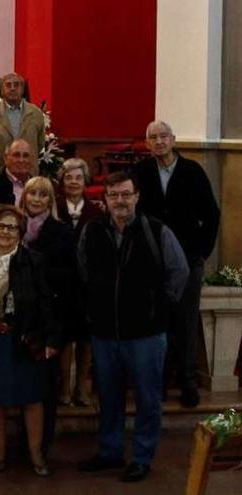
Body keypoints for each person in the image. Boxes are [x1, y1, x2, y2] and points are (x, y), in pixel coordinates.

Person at [77, 172, 189, 483]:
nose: (120, 201)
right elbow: (84, 270)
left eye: (126, 194)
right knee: (109, 397)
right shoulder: (93, 230)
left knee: (147, 397)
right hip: (104, 333)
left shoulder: (156, 231)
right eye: (113, 195)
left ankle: (141, 457)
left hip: (146, 334)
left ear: (137, 196)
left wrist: (155, 308)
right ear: (106, 199)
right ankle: (110, 451)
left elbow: (178, 272)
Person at [0, 205, 59, 477]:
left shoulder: (35, 261)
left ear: (21, 232)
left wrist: (51, 339)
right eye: (1, 227)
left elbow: (47, 304)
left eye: (12, 228)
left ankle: (36, 453)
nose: (6, 232)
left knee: (32, 399)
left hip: (26, 340)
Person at [134, 120, 220, 408]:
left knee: (185, 321)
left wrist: (201, 253)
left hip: (188, 258)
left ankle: (187, 381)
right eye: (153, 138)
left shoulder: (192, 172)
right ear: (147, 144)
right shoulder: (141, 173)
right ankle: (156, 382)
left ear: (173, 140)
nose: (159, 142)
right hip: (151, 260)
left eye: (163, 136)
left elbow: (211, 214)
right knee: (154, 321)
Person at [18, 177, 74, 455]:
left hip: (47, 318)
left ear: (51, 201)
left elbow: (68, 278)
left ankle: (42, 444)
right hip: (17, 317)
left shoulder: (62, 231)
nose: (37, 199)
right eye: (32, 194)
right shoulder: (11, 226)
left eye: (43, 195)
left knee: (46, 386)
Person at [55, 158, 102, 407]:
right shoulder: (55, 208)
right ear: (62, 182)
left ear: (85, 182)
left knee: (86, 338)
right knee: (64, 339)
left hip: (87, 285)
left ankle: (82, 388)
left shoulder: (96, 212)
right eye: (68, 178)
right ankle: (64, 388)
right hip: (62, 284)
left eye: (78, 178)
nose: (73, 182)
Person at [0, 72, 45, 174]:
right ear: (2, 90)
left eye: (16, 85)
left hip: (27, 173)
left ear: (22, 89)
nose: (12, 88)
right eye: (8, 85)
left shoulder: (36, 114)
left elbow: (40, 143)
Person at [0, 139, 35, 206]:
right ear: (5, 158)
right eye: (16, 155)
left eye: (26, 156)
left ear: (32, 159)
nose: (21, 160)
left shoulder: (38, 186)